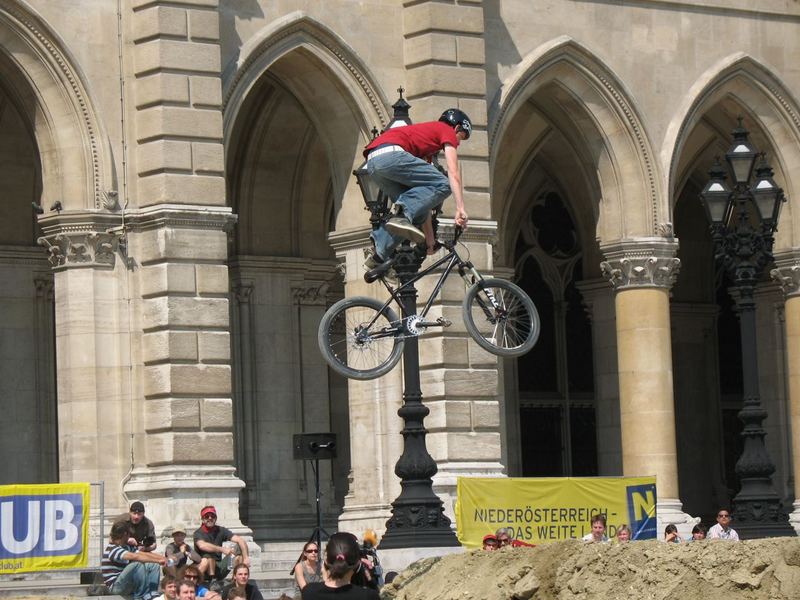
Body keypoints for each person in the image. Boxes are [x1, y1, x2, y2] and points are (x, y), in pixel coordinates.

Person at [362, 108, 471, 270]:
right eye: (460, 137)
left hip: (373, 164)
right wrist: (460, 208)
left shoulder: (423, 153)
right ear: (456, 128)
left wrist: (430, 241)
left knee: (414, 214)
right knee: (445, 183)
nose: (458, 143)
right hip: (391, 155)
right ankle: (400, 213)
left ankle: (378, 254)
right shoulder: (445, 129)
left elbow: (421, 202)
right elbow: (453, 172)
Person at [300, 532, 380, 599]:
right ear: (357, 562)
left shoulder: (309, 592)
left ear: (326, 560)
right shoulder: (368, 596)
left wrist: (324, 572)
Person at [102, 520, 166, 600]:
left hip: (126, 583)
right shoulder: (113, 549)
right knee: (137, 564)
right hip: (116, 587)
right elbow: (136, 557)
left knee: (153, 565)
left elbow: (143, 554)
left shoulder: (126, 547)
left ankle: (152, 593)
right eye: (129, 534)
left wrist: (163, 559)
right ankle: (141, 596)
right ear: (125, 534)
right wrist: (158, 560)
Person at [193, 506, 250, 581]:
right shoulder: (198, 533)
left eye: (212, 516)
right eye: (207, 516)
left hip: (219, 568)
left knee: (238, 552)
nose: (210, 518)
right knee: (208, 558)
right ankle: (212, 581)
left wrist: (246, 558)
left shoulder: (221, 530)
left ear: (215, 518)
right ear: (203, 520)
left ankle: (236, 580)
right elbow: (202, 545)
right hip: (205, 570)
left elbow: (240, 540)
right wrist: (222, 549)